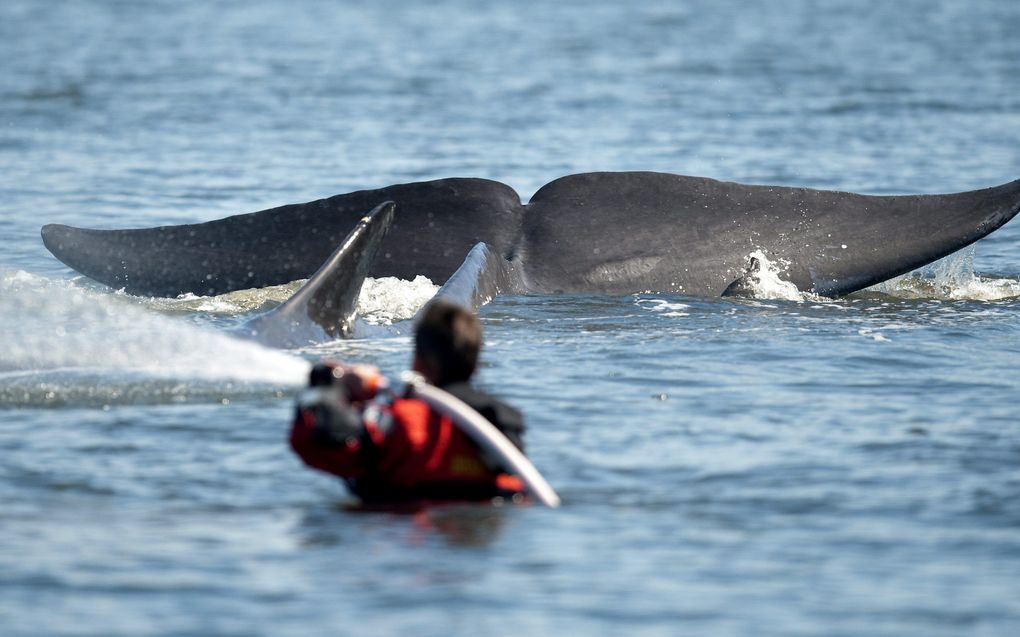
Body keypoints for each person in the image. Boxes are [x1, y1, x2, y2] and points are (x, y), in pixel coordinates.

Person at [289, 299, 527, 504]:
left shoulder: (400, 421)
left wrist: (331, 386)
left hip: (409, 542)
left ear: (417, 362)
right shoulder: (503, 428)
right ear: (475, 366)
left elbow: (312, 440)